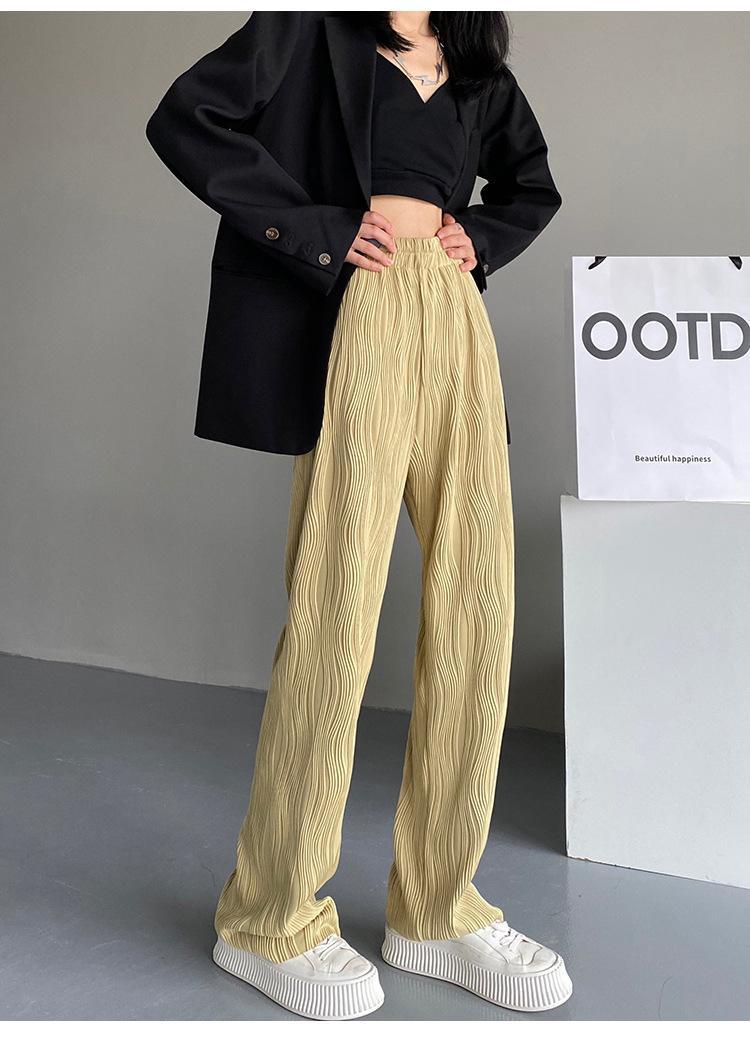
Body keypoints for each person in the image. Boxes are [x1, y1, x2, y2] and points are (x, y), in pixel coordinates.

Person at [146, 10, 568, 1020]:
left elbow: (531, 184)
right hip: (359, 306)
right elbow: (186, 118)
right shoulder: (307, 28)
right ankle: (270, 916)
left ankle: (438, 908)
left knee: (479, 610)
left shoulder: (475, 65)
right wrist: (320, 231)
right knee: (336, 612)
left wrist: (481, 238)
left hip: (455, 317)